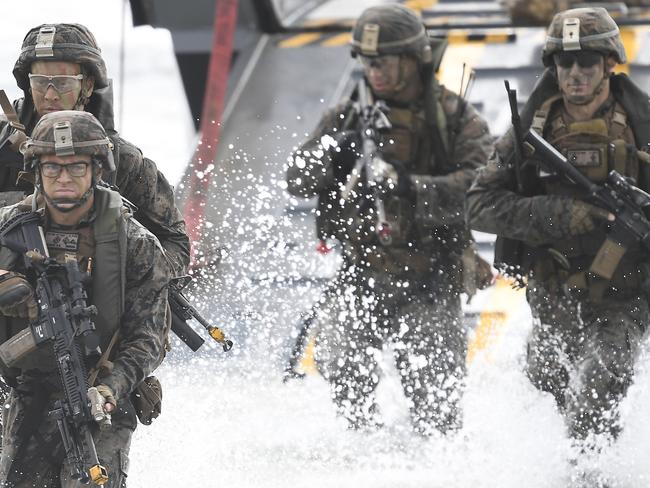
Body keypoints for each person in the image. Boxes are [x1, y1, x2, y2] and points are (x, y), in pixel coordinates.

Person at [286, 4, 492, 435]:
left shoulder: (454, 119)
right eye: (366, 60)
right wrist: (331, 154)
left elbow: (480, 189)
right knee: (339, 358)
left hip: (430, 278)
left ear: (413, 59)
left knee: (436, 400)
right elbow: (296, 181)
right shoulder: (348, 116)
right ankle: (368, 451)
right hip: (363, 274)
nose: (373, 70)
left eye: (383, 61)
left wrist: (410, 187)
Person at [467, 7, 650, 451]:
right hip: (554, 297)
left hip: (623, 298)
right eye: (564, 63)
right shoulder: (530, 130)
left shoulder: (642, 127)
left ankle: (589, 477)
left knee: (598, 389)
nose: (574, 74)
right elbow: (478, 205)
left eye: (586, 62)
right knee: (548, 386)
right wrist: (558, 214)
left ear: (609, 63)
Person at [0, 110, 170, 486]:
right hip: (28, 389)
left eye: (76, 168)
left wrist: (112, 388)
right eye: (52, 169)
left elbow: (149, 337)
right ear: (37, 170)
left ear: (97, 170)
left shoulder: (135, 245)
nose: (63, 179)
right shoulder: (8, 227)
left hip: (99, 391)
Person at [0, 23, 189, 276]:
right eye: (40, 82)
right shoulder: (4, 148)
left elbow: (176, 240)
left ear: (87, 86)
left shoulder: (122, 161)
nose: (50, 94)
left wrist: (141, 283)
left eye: (63, 83)